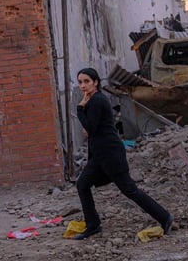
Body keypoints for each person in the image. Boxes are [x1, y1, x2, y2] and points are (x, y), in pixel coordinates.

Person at [73, 67, 173, 240]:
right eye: (80, 82)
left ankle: (164, 217)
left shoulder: (96, 100)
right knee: (82, 185)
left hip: (110, 155)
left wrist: (80, 109)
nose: (83, 85)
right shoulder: (94, 99)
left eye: (86, 81)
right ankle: (93, 225)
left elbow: (90, 127)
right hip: (100, 155)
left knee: (129, 190)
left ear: (95, 82)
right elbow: (93, 129)